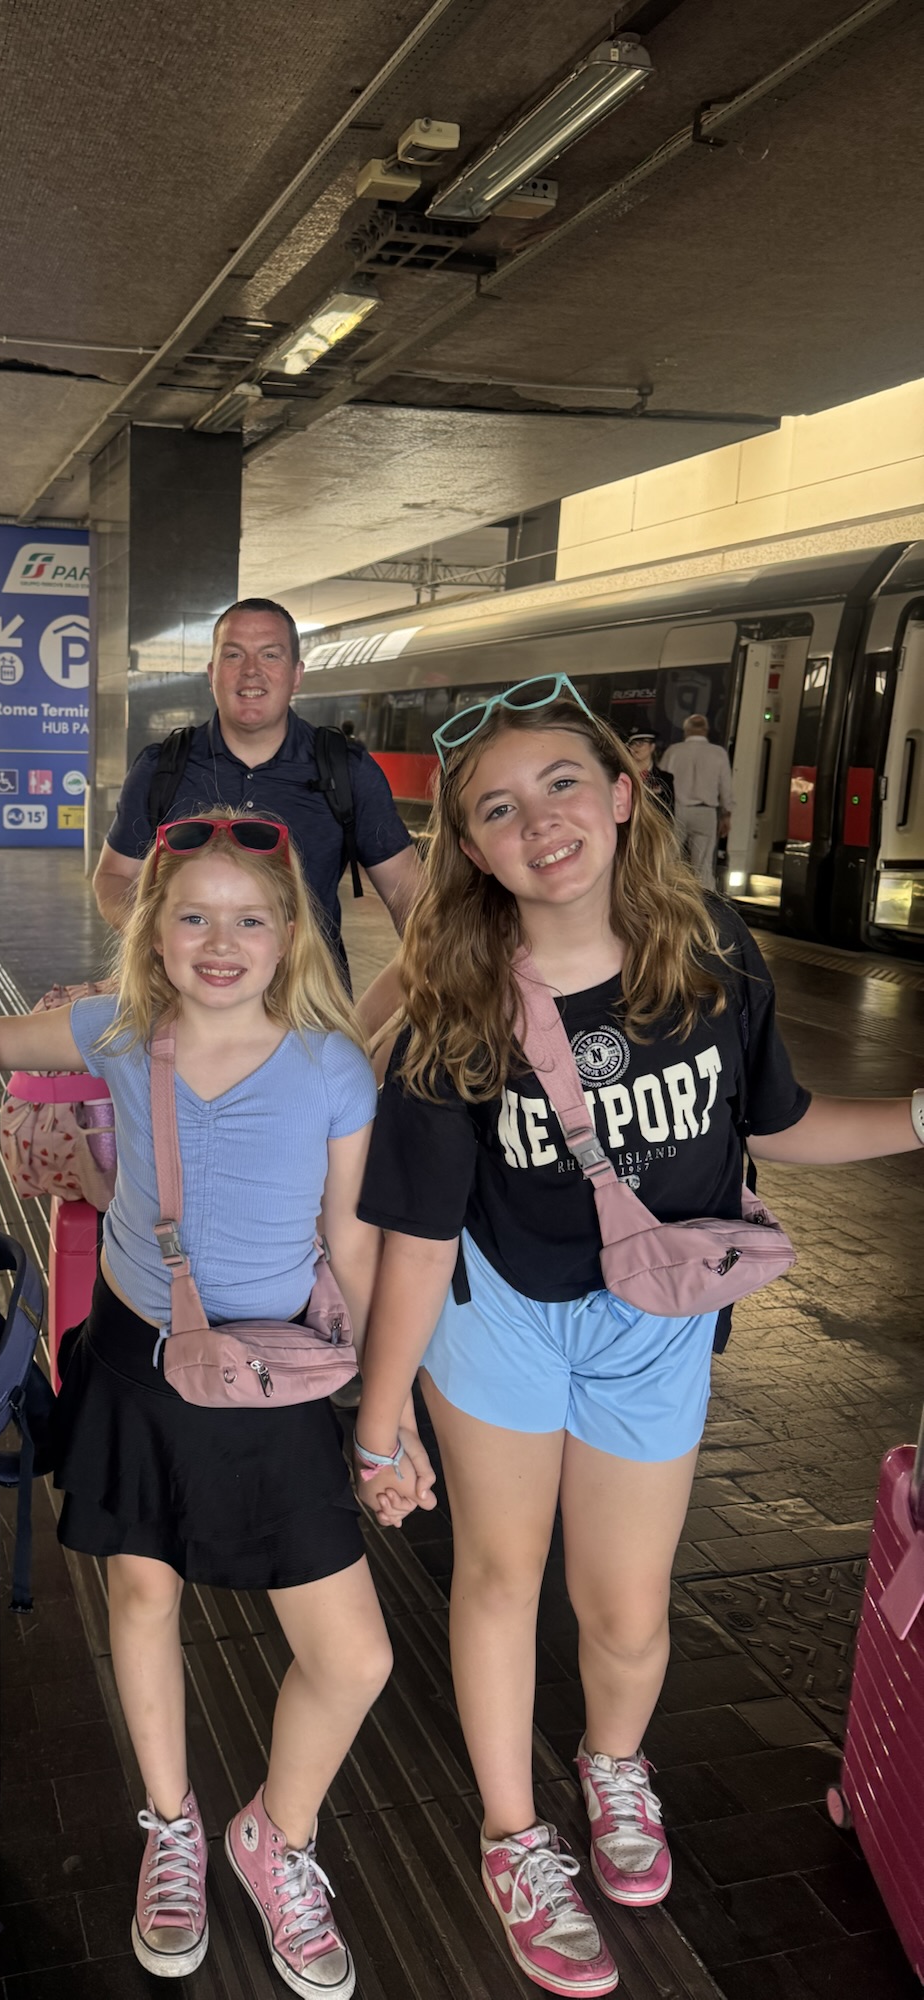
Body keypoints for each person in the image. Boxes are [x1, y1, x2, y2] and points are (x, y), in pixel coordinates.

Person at [348, 677, 924, 1996]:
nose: (538, 821)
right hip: (502, 1307)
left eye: (562, 785)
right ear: (474, 850)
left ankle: (615, 1766)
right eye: (497, 808)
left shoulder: (713, 951)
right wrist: (379, 1426)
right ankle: (514, 1838)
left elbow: (775, 1126)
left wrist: (921, 1119)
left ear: (620, 796)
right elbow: (421, 1238)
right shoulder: (454, 999)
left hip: (655, 1318)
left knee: (627, 1606)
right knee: (501, 1574)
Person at [0, 808, 397, 1998]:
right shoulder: (124, 1032)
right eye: (193, 915)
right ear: (155, 929)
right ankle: (172, 1825)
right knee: (142, 1585)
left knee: (355, 1654)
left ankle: (274, 1834)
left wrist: (390, 1409)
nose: (220, 940)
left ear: (292, 932)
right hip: (137, 1356)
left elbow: (352, 1238)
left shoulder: (333, 1067)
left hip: (275, 1376)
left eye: (249, 917)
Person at [92, 598, 422, 981]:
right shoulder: (161, 769)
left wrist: (414, 1002)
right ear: (212, 673)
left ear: (296, 674)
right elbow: (114, 878)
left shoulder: (348, 772)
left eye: (270, 655)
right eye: (234, 656)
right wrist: (160, 935)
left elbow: (412, 900)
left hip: (308, 1018)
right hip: (183, 1013)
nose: (251, 671)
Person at [659, 714, 732, 891]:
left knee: (667, 862)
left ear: (686, 731)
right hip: (706, 813)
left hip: (678, 812)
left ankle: (664, 899)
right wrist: (727, 814)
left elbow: (661, 782)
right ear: (705, 731)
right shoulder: (718, 753)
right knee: (703, 867)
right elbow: (726, 786)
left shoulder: (674, 751)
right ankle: (705, 908)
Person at [625, 729, 675, 817]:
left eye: (640, 743)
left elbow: (668, 813)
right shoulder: (624, 775)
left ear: (652, 747)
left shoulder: (665, 778)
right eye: (632, 744)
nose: (635, 747)